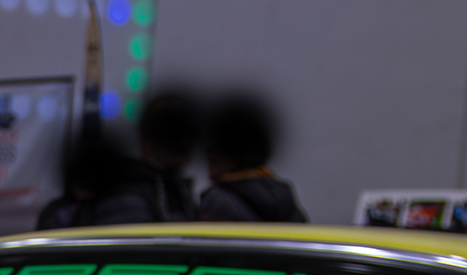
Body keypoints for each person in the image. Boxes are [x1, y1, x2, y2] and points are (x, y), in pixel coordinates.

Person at [86, 93, 199, 224]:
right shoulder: (127, 196)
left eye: (189, 134)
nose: (182, 144)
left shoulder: (173, 188)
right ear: (146, 138)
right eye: (171, 133)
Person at [195, 95, 307, 223]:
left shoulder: (216, 202)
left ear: (230, 156)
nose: (207, 157)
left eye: (211, 149)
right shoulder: (285, 198)